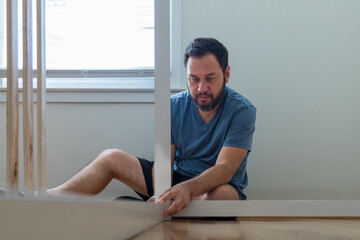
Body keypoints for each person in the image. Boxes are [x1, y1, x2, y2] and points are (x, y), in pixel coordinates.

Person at [48, 37, 256, 217]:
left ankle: (146, 213)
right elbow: (165, 159)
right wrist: (163, 192)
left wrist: (187, 190)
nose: (201, 88)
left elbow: (225, 169)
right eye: (193, 79)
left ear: (226, 74)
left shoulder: (242, 111)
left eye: (210, 79)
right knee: (111, 157)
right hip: (174, 180)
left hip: (211, 188)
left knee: (224, 197)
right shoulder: (174, 106)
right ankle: (46, 201)